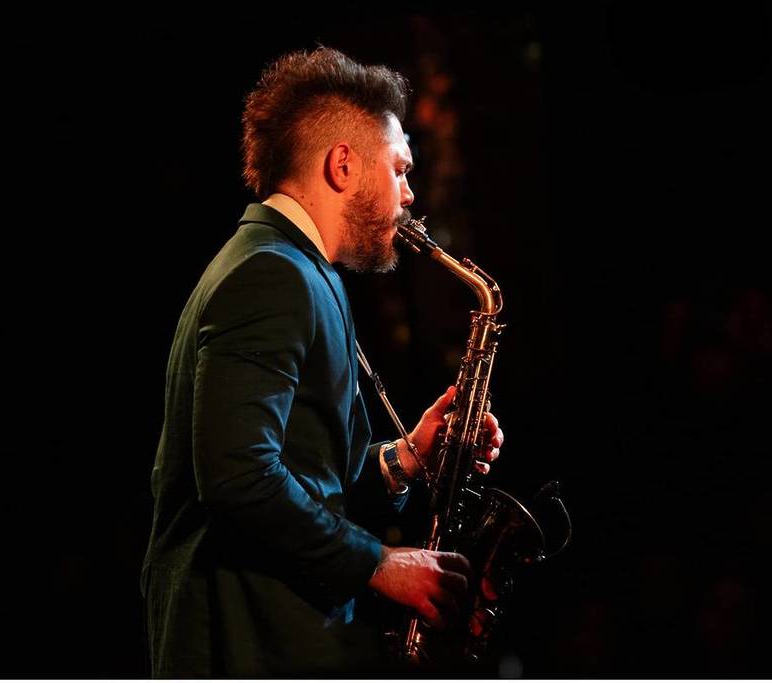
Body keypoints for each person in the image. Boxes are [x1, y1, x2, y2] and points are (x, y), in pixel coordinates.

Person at [140, 47, 504, 676]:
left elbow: (304, 474)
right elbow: (238, 480)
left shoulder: (295, 271)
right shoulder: (270, 276)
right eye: (399, 171)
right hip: (250, 643)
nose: (410, 195)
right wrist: (380, 564)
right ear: (342, 164)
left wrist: (407, 456)